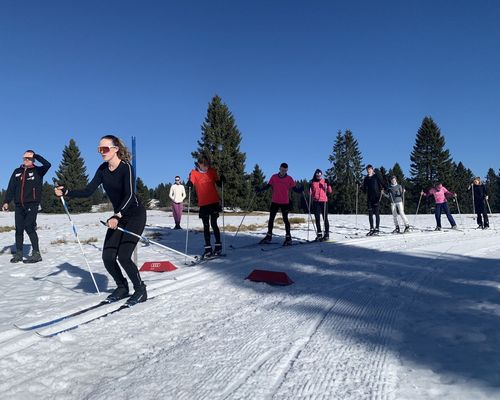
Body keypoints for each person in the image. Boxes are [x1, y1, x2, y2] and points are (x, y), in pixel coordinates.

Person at [55, 135, 147, 306]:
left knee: (124, 256)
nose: (101, 152)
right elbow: (88, 191)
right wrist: (67, 192)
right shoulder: (102, 169)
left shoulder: (126, 168)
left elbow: (129, 195)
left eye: (104, 149)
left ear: (116, 149)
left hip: (134, 214)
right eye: (99, 149)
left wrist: (117, 215)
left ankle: (140, 289)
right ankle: (122, 287)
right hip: (117, 217)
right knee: (108, 256)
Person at [2, 150, 51, 263]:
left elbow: (48, 164)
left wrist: (36, 155)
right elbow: (11, 188)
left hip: (32, 204)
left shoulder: (38, 171)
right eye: (24, 158)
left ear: (33, 159)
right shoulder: (17, 171)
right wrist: (6, 201)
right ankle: (19, 254)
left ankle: (36, 253)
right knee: (19, 229)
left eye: (29, 158)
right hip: (19, 205)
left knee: (29, 226)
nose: (26, 160)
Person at [257, 162, 303, 246]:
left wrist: (300, 190)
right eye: (282, 170)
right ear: (279, 169)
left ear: (287, 170)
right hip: (275, 201)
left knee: (285, 220)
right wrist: (260, 189)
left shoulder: (289, 179)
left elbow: (294, 189)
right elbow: (268, 186)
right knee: (271, 219)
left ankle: (288, 238)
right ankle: (268, 236)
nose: (283, 172)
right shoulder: (274, 177)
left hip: (285, 202)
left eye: (285, 171)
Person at [187, 156, 223, 257]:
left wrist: (222, 181)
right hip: (203, 203)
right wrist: (189, 183)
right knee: (206, 226)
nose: (206, 168)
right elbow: (191, 181)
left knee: (214, 224)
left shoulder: (212, 171)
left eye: (208, 166)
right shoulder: (194, 173)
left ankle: (218, 246)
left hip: (214, 202)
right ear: (199, 164)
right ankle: (208, 248)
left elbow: (218, 183)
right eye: (204, 166)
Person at [362, 165, 386, 236]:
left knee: (376, 213)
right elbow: (364, 189)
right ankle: (371, 228)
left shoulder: (376, 177)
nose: (368, 171)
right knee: (370, 214)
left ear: (372, 170)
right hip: (369, 198)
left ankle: (377, 228)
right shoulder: (366, 178)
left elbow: (382, 183)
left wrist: (387, 188)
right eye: (367, 169)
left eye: (370, 169)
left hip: (376, 197)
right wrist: (360, 186)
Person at [309, 169, 332, 241]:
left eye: (319, 175)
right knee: (317, 218)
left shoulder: (324, 181)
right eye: (317, 175)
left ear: (321, 175)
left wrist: (328, 185)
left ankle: (327, 234)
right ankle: (319, 234)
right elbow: (310, 193)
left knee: (325, 218)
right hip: (316, 202)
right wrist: (309, 188)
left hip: (324, 201)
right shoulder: (313, 182)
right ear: (315, 175)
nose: (318, 176)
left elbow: (330, 191)